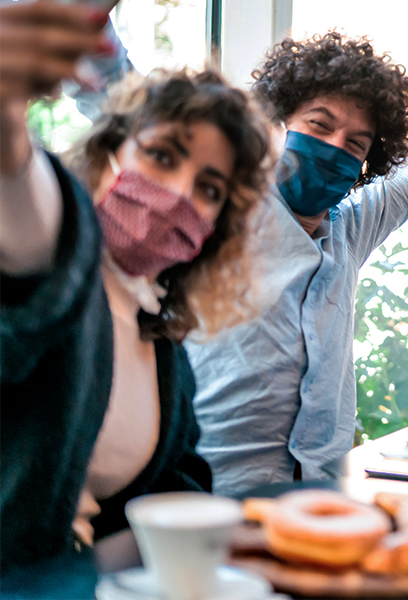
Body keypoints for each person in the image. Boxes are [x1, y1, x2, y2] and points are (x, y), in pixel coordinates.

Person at [0, 3, 272, 596]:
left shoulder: (161, 337)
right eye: (162, 155)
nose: (178, 193)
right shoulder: (55, 256)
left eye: (209, 188)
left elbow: (174, 493)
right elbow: (18, 192)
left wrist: (233, 537)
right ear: (108, 155)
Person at [182, 32, 408, 496]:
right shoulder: (218, 212)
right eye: (319, 125)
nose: (335, 147)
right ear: (273, 125)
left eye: (355, 143)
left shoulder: (349, 229)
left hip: (319, 497)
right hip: (208, 496)